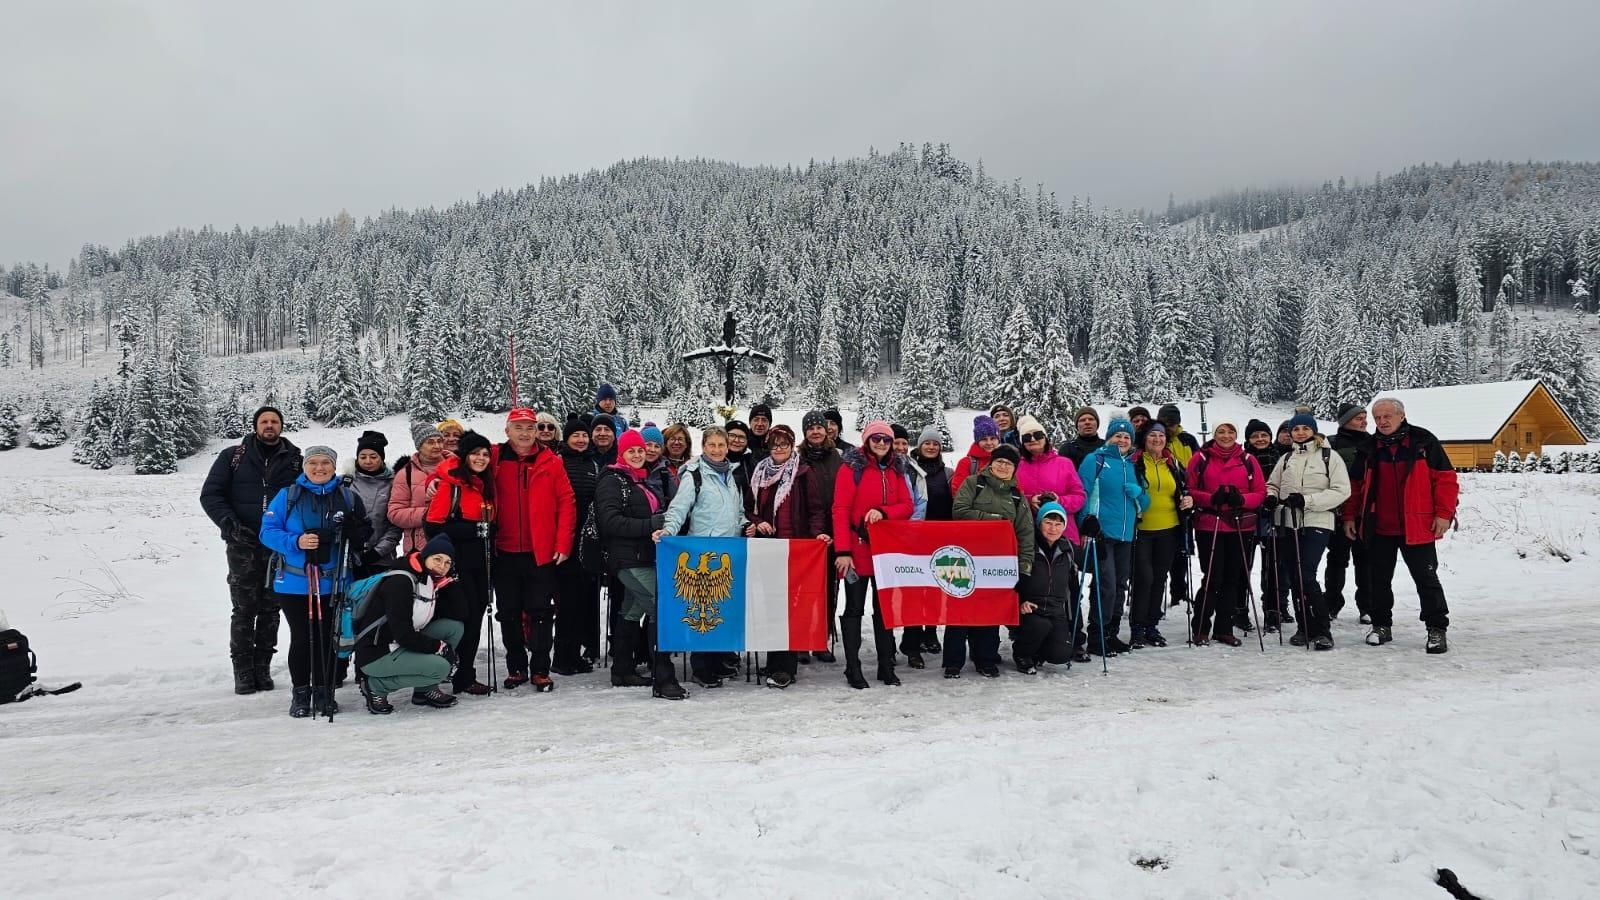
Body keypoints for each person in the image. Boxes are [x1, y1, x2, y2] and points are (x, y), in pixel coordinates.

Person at [258, 445, 371, 717]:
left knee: (327, 639)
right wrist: (295, 541)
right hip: (295, 582)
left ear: (334, 467)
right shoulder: (288, 496)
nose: (319, 468)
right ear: (305, 466)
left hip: (335, 582)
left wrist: (351, 532)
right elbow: (267, 532)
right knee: (301, 637)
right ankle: (300, 694)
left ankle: (324, 691)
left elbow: (364, 532)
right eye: (313, 463)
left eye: (325, 463)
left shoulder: (347, 496)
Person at [200, 406, 303, 695]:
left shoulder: (295, 460)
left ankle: (263, 667)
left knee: (272, 608)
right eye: (264, 421)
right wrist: (229, 524)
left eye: (274, 421)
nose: (269, 426)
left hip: (278, 547)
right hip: (242, 543)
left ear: (281, 426)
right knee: (244, 608)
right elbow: (211, 494)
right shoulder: (233, 457)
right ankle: (242, 671)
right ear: (256, 425)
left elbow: (303, 499)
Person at [1341, 398, 1457, 654]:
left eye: (1387, 416)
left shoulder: (1424, 442)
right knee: (1378, 580)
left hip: (1418, 525)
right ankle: (1382, 626)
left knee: (1426, 578)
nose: (1382, 422)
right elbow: (1355, 487)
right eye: (1377, 417)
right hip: (1379, 526)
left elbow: (1446, 480)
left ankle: (1436, 628)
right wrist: (1349, 516)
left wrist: (1444, 514)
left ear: (1401, 416)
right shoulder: (1368, 447)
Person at [658, 426, 752, 688]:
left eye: (721, 445)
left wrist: (745, 524)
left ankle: (718, 659)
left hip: (730, 550)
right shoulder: (695, 475)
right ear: (704, 446)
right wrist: (668, 530)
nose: (717, 450)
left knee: (722, 608)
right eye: (712, 445)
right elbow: (679, 507)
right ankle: (701, 666)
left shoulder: (732, 475)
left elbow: (738, 511)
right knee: (703, 607)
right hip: (704, 552)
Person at [492, 408, 577, 692]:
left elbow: (567, 502)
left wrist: (563, 543)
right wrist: (435, 483)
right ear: (508, 431)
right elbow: (454, 468)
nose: (525, 433)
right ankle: (516, 667)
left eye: (530, 427)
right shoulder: (493, 457)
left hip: (540, 551)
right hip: (503, 550)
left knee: (541, 612)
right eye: (519, 427)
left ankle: (540, 669)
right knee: (509, 613)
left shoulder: (551, 461)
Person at [596, 429, 685, 699]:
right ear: (621, 454)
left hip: (643, 556)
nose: (637, 455)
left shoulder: (637, 479)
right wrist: (650, 524)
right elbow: (609, 522)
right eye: (630, 451)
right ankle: (663, 676)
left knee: (631, 612)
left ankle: (622, 670)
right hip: (627, 559)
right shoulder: (613, 480)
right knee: (662, 609)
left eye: (639, 450)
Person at [744, 425, 830, 688]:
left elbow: (816, 510)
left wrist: (817, 535)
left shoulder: (803, 473)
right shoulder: (759, 473)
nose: (779, 449)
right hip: (768, 549)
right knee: (771, 605)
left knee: (790, 608)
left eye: (784, 444)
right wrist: (758, 521)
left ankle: (786, 667)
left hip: (796, 550)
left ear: (792, 445)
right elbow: (749, 508)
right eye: (775, 444)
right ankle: (773, 662)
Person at [832, 421, 915, 688]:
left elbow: (907, 505)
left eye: (886, 440)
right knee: (854, 608)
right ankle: (853, 667)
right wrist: (843, 551)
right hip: (856, 549)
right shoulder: (852, 468)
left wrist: (884, 510)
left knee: (883, 610)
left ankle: (885, 664)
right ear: (867, 440)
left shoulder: (897, 469)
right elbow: (840, 510)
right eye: (876, 438)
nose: (881, 443)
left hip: (885, 552)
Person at [1264, 413, 1351, 650]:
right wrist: (1271, 498)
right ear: (1290, 433)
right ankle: (1304, 628)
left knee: (1306, 573)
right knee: (1294, 575)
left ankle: (1322, 630)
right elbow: (1272, 484)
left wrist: (1307, 500)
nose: (1301, 432)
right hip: (1288, 521)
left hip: (1318, 520)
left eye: (1305, 428)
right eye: (1296, 429)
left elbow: (1342, 490)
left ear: (1313, 430)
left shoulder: (1328, 456)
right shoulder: (1286, 458)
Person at [353, 533, 466, 714]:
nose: (442, 566)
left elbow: (461, 613)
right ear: (425, 555)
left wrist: (450, 583)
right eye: (437, 559)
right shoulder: (401, 581)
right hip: (377, 651)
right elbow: (402, 633)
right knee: (441, 668)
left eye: (447, 562)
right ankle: (376, 685)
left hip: (401, 642)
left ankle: (425, 690)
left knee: (453, 628)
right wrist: (438, 646)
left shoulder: (427, 578)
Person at [948, 443, 1033, 678]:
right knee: (960, 610)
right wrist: (993, 520)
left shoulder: (1017, 496)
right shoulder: (973, 483)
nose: (1004, 466)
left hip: (998, 565)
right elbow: (960, 511)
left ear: (1015, 469)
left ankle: (985, 658)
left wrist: (1024, 569)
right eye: (1000, 462)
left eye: (1009, 464)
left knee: (990, 612)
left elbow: (1025, 534)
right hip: (966, 559)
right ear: (991, 463)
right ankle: (953, 662)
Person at [424, 430, 496, 694]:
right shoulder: (451, 484)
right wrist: (474, 530)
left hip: (481, 564)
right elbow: (432, 526)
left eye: (485, 454)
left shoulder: (485, 482)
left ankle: (464, 675)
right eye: (475, 453)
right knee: (461, 619)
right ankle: (450, 673)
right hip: (455, 566)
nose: (480, 458)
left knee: (475, 618)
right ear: (464, 456)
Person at [1186, 421, 1266, 647]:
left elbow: (1260, 492)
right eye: (1221, 431)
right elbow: (1189, 488)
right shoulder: (1200, 458)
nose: (1226, 435)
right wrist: (1210, 498)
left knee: (1233, 578)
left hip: (1240, 525)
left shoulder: (1248, 460)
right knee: (1212, 577)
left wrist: (1241, 499)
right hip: (1209, 524)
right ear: (1214, 434)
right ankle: (1201, 628)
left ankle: (1225, 628)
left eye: (1231, 431)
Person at [1076, 418, 1147, 656]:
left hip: (1126, 535)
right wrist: (1085, 520)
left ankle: (1111, 633)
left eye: (1127, 437)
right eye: (1118, 435)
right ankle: (1097, 635)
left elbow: (1143, 504)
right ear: (1109, 438)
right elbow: (1082, 491)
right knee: (1105, 585)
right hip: (1101, 533)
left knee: (1119, 585)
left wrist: (1139, 493)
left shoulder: (1133, 465)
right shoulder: (1095, 460)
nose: (1123, 440)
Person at [1130, 423, 1192, 648]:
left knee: (1159, 578)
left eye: (1161, 435)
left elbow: (1184, 488)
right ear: (1144, 439)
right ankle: (1137, 626)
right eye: (1152, 435)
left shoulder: (1173, 463)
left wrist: (1188, 498)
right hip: (1142, 529)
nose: (1157, 439)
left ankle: (1151, 626)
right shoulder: (1134, 462)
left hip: (1170, 528)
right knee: (1143, 578)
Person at [899, 424, 952, 662]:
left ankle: (930, 632)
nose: (931, 447)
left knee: (935, 588)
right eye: (926, 443)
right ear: (918, 446)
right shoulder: (908, 469)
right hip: (914, 537)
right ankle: (912, 637)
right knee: (914, 589)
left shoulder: (948, 473)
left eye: (935, 444)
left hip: (940, 537)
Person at [555, 416, 602, 675]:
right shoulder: (558, 461)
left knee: (584, 599)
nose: (581, 440)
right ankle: (563, 655)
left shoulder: (593, 464)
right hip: (566, 539)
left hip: (588, 539)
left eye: (584, 435)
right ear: (567, 438)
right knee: (567, 601)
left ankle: (576, 652)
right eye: (576, 436)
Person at [801, 410, 845, 663]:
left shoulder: (837, 458)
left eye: (819, 427)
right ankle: (802, 642)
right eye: (811, 428)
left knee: (829, 590)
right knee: (806, 592)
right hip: (807, 535)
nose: (816, 432)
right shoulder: (799, 459)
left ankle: (821, 640)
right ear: (805, 433)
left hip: (833, 532)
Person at [1013, 502, 1078, 673]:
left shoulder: (1068, 549)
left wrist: (1096, 539)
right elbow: (1010, 580)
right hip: (1029, 609)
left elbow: (1074, 587)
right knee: (1039, 626)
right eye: (1048, 522)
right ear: (1039, 522)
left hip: (1055, 610)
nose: (1053, 529)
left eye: (1058, 524)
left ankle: (1038, 652)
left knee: (1061, 654)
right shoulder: (1027, 546)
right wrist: (1019, 602)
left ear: (1064, 526)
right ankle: (1022, 654)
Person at [1325, 402, 1372, 623]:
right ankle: (1331, 604)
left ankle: (1367, 607)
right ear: (1345, 421)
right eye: (1358, 418)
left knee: (1366, 562)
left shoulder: (1374, 443)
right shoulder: (1331, 444)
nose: (1364, 421)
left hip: (1367, 512)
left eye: (1364, 417)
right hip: (1338, 512)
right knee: (1336, 561)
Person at [1244, 419, 1291, 630]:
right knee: (1243, 566)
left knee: (1273, 567)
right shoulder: (1243, 458)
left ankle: (1273, 609)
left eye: (1264, 435)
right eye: (1255, 436)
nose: (1260, 439)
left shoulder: (1280, 457)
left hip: (1274, 516)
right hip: (1247, 517)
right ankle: (1240, 609)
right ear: (1248, 439)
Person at [347, 430, 401, 576]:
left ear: (382, 458)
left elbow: (395, 525)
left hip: (382, 559)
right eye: (363, 456)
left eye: (373, 456)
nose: (368, 461)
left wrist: (377, 552)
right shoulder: (346, 482)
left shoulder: (393, 483)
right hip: (347, 558)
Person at [389, 424, 449, 556]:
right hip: (419, 549)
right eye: (430, 442)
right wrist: (430, 513)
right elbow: (395, 513)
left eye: (439, 441)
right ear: (419, 446)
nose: (437, 446)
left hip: (451, 541)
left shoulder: (455, 468)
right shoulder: (405, 474)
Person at [951, 415, 1001, 494]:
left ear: (998, 440)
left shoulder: (1006, 461)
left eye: (993, 438)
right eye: (984, 439)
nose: (989, 443)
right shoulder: (966, 463)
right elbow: (959, 494)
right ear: (977, 441)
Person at [891, 424, 929, 522]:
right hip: (885, 526)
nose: (901, 447)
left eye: (904, 443)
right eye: (896, 443)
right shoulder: (881, 467)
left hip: (908, 526)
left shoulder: (913, 468)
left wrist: (912, 527)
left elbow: (921, 501)